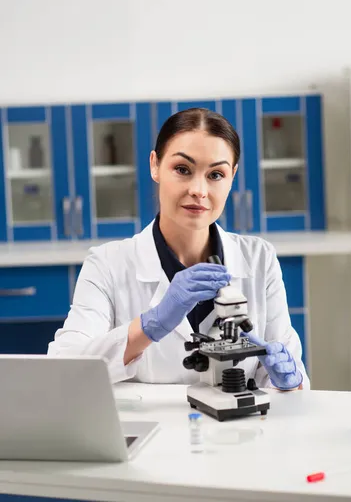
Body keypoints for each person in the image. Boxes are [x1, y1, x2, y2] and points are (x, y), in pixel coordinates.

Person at [48, 108, 309, 391]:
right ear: (155, 165)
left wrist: (288, 381)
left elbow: (287, 378)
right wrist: (151, 325)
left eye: (216, 174)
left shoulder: (260, 259)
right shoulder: (107, 264)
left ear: (232, 176)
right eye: (183, 169)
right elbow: (63, 369)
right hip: (146, 433)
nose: (199, 189)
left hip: (236, 433)